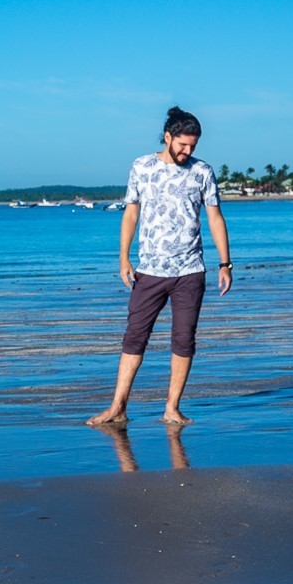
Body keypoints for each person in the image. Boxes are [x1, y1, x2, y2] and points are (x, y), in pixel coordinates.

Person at [87, 106, 233, 426]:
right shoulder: (142, 167)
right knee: (134, 337)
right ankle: (117, 407)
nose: (188, 151)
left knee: (184, 339)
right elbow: (131, 214)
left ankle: (172, 408)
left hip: (190, 270)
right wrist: (124, 257)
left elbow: (215, 218)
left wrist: (226, 264)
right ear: (168, 137)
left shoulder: (203, 172)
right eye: (182, 144)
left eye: (193, 146)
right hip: (150, 270)